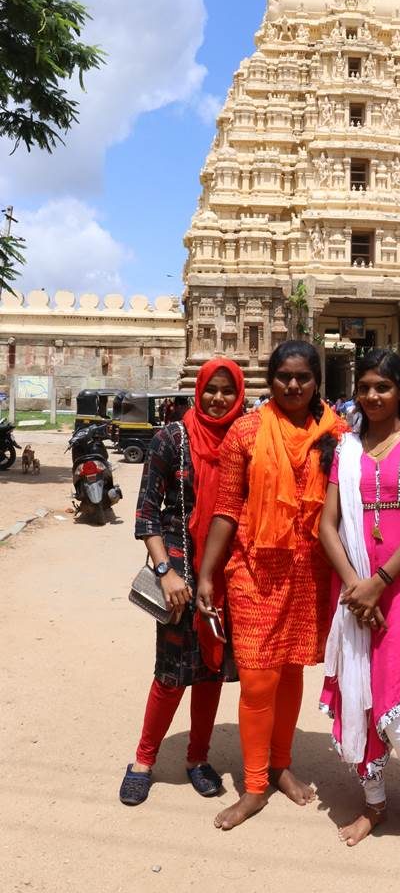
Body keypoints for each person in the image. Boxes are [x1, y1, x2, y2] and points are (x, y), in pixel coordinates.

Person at [197, 340, 346, 830]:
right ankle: (255, 785)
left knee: (290, 669)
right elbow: (226, 508)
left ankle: (281, 765)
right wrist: (206, 573)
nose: (294, 385)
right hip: (255, 566)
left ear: (316, 381)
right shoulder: (245, 431)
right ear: (270, 379)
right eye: (284, 376)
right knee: (259, 677)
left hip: (310, 568)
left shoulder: (337, 434)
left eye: (303, 376)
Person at [319, 350, 400, 859]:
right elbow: (327, 525)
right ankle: (373, 804)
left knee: (395, 711)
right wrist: (356, 586)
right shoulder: (345, 449)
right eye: (365, 387)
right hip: (354, 594)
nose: (372, 396)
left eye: (383, 387)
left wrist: (381, 582)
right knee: (358, 702)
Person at [119, 358, 245, 806]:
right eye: (212, 387)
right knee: (171, 675)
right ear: (199, 389)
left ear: (239, 394)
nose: (218, 398)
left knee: (211, 672)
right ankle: (143, 761)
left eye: (228, 390)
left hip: (225, 577)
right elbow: (147, 513)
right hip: (180, 576)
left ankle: (197, 758)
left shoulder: (242, 440)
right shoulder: (172, 438)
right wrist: (164, 571)